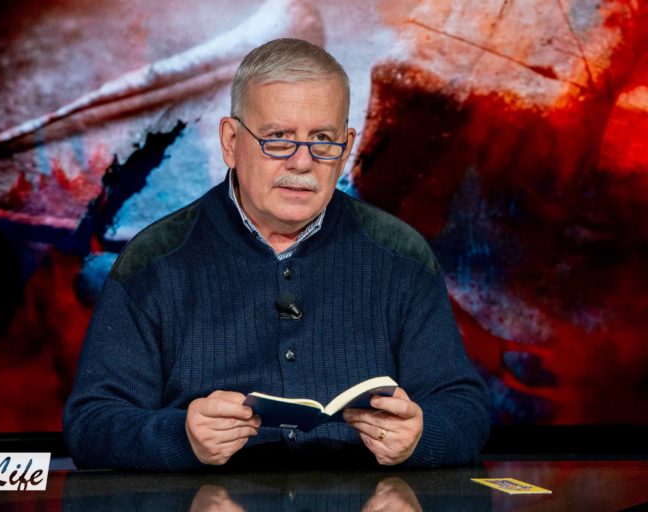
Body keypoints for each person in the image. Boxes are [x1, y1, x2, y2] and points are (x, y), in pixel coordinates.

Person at [63, 38, 491, 470]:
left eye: (322, 140)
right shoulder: (154, 261)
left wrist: (420, 436)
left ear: (346, 148)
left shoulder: (401, 257)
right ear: (231, 141)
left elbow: (465, 409)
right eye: (278, 139)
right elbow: (90, 424)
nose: (302, 163)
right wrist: (182, 437)